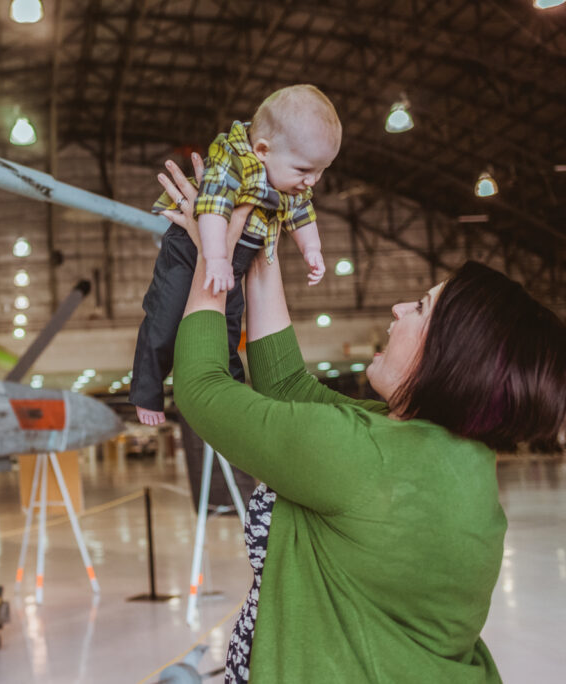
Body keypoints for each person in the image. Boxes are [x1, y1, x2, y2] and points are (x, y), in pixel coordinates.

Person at [160, 158, 566, 682]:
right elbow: (288, 389)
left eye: (420, 308)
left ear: (450, 356)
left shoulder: (366, 459)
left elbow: (200, 390)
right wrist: (260, 241)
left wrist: (209, 259)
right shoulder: (436, 449)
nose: (399, 308)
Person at [131, 84, 341, 426]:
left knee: (228, 327)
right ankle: (147, 392)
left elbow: (302, 215)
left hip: (236, 265)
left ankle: (229, 389)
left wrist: (312, 250)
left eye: (321, 172)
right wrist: (214, 258)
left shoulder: (288, 180)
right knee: (164, 320)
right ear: (262, 149)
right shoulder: (233, 162)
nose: (312, 182)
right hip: (192, 251)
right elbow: (212, 209)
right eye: (305, 170)